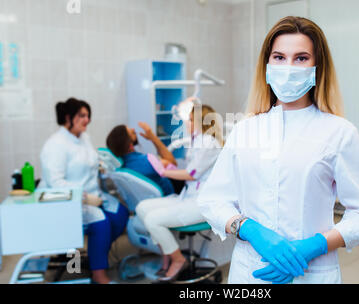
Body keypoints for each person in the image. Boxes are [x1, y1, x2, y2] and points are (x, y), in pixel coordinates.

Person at [197, 16, 359, 284]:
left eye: (301, 58)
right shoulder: (245, 130)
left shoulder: (340, 133)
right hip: (249, 272)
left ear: (317, 66)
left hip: (311, 272)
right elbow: (213, 199)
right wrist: (248, 229)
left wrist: (315, 246)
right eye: (279, 57)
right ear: (267, 64)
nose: (288, 67)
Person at [39, 98, 129, 284]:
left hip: (93, 194)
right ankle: (99, 274)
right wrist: (86, 198)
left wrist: (103, 167)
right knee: (101, 223)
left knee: (120, 214)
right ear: (68, 117)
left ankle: (97, 256)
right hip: (69, 201)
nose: (87, 120)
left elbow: (91, 162)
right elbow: (55, 182)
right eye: (82, 116)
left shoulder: (83, 137)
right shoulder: (56, 145)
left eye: (88, 115)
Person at [135, 102, 223, 282]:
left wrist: (163, 171)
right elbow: (191, 168)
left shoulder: (209, 142)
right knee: (142, 208)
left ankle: (177, 259)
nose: (187, 124)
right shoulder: (197, 141)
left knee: (153, 219)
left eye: (190, 120)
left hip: (202, 203)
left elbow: (191, 174)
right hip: (188, 196)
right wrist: (169, 166)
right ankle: (166, 253)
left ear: (201, 121)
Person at [106, 122, 177, 196]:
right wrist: (153, 138)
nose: (133, 129)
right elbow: (172, 162)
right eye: (132, 132)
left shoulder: (121, 167)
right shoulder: (148, 161)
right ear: (130, 145)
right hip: (169, 197)